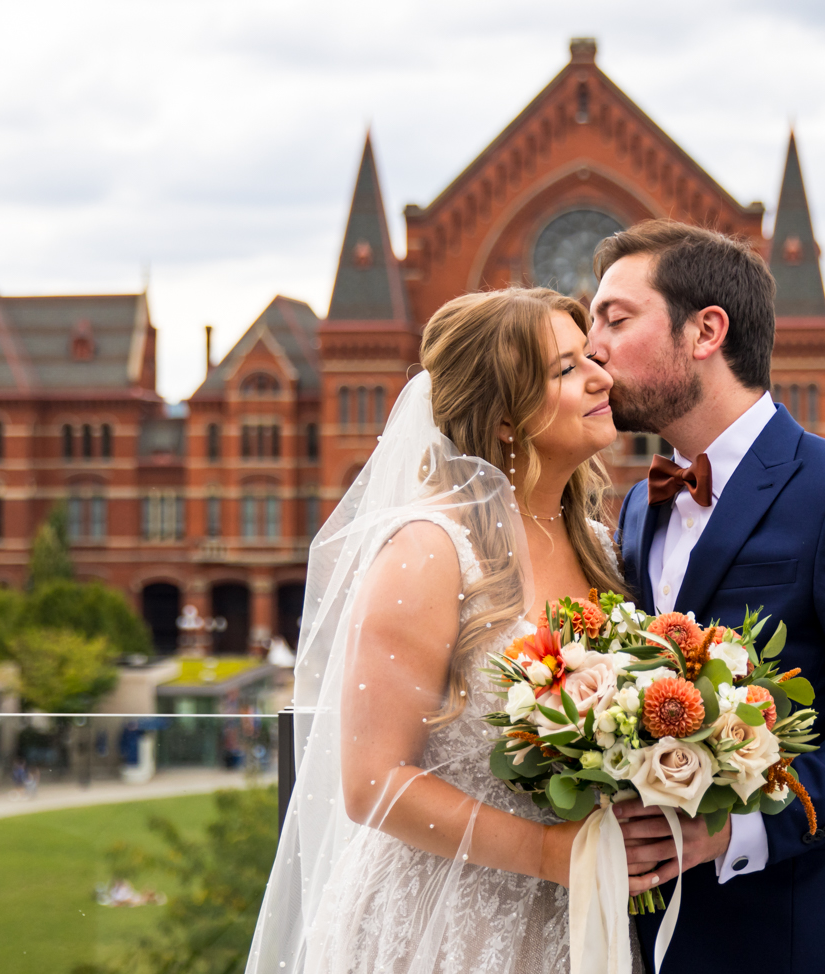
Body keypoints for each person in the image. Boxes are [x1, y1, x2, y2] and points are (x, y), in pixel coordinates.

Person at [588, 219, 825, 974]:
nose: (591, 346)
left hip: (805, 938)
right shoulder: (637, 505)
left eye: (614, 320)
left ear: (705, 332)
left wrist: (734, 832)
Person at [246, 287, 650, 974]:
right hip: (449, 919)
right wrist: (551, 854)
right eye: (564, 368)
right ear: (502, 417)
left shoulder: (600, 547)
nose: (601, 377)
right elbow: (372, 783)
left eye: (590, 358)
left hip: (585, 912)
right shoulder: (431, 550)